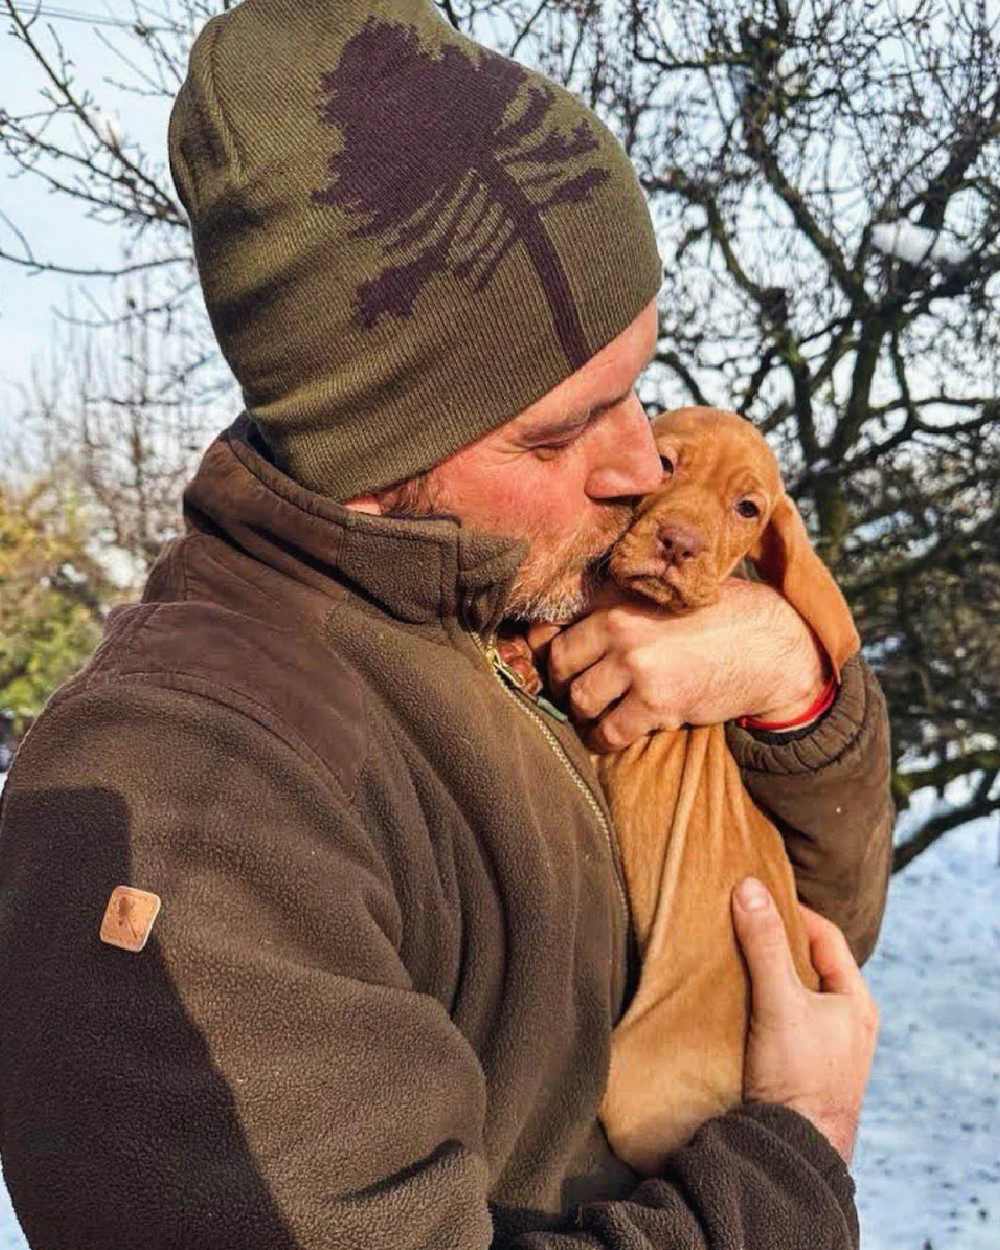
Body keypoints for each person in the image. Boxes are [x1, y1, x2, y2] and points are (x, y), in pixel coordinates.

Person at [0, 2, 892, 1247]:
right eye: (555, 429)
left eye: (636, 388)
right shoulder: (186, 807)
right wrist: (790, 1159)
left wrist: (784, 672)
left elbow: (815, 935)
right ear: (372, 446)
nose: (639, 466)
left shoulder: (534, 588)